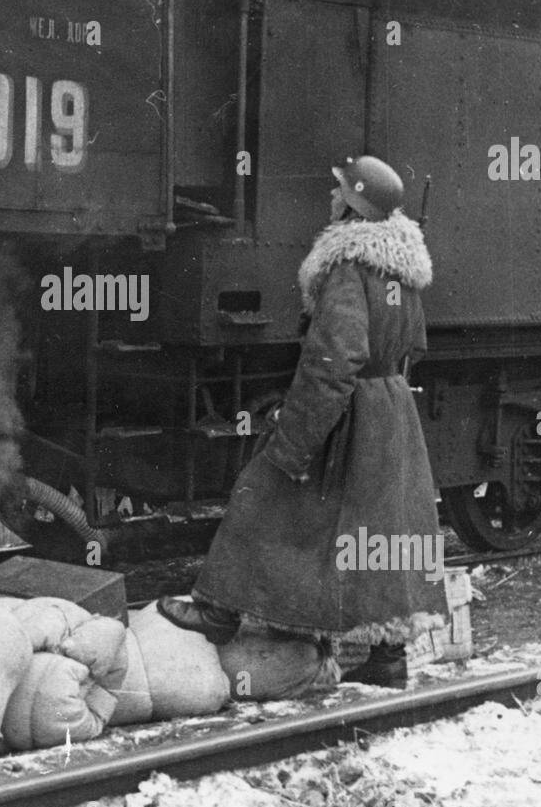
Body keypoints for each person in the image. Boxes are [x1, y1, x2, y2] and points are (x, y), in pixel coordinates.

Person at [158, 156, 450, 688]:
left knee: (264, 487)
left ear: (354, 204)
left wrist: (295, 441)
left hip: (350, 410)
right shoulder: (403, 270)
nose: (330, 196)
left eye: (338, 190)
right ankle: (388, 658)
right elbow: (418, 344)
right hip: (391, 411)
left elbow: (335, 359)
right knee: (381, 530)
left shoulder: (347, 268)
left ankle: (219, 612)